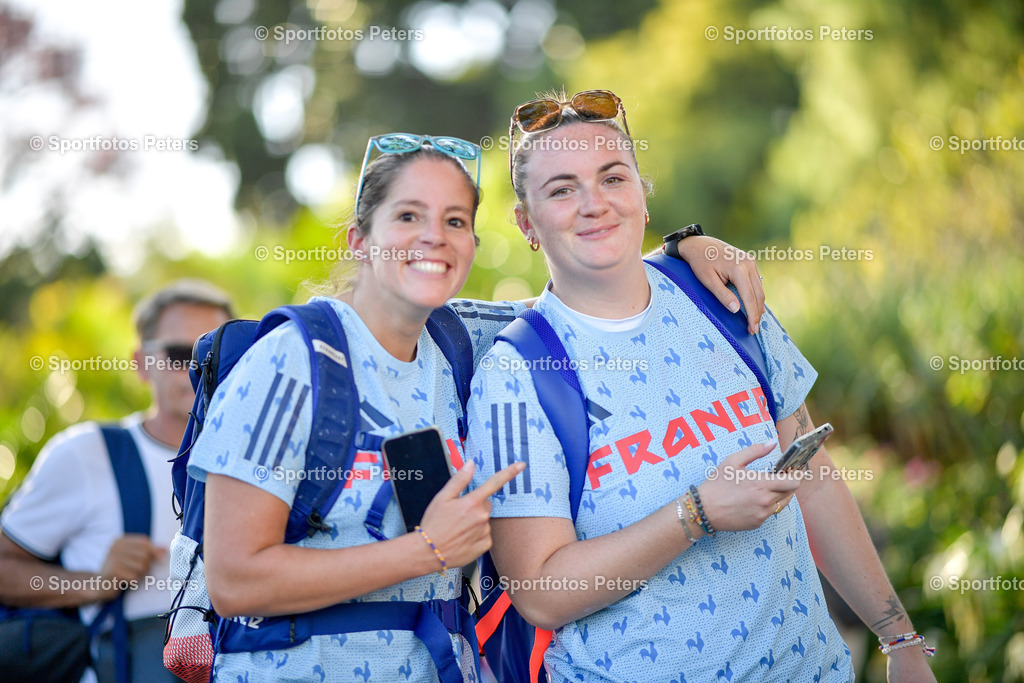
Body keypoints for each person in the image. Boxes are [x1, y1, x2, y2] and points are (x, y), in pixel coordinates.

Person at [188, 132, 768, 682]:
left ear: (473, 245)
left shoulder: (462, 342)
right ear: (359, 240)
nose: (434, 237)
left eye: (455, 221)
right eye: (408, 216)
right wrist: (423, 552)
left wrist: (685, 249)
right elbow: (236, 580)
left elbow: (590, 291)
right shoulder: (291, 362)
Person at [467, 89, 937, 682]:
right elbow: (539, 590)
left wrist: (900, 639)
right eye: (562, 189)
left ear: (642, 190)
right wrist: (695, 514)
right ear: (526, 223)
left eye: (613, 177)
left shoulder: (720, 296)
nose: (595, 204)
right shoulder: (515, 375)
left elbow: (814, 482)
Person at [0, 279, 234, 682]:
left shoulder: (262, 459)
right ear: (142, 363)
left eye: (215, 353)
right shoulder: (86, 453)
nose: (199, 369)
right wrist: (97, 583)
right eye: (182, 354)